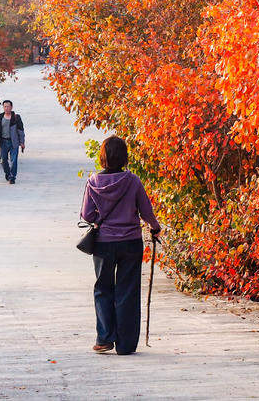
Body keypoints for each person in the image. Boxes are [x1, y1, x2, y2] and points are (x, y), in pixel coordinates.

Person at [80, 136, 161, 355]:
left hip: (104, 243)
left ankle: (105, 338)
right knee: (128, 291)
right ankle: (125, 345)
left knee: (103, 289)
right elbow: (146, 211)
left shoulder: (93, 182)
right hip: (130, 242)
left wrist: (100, 215)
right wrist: (155, 227)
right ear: (124, 157)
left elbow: (86, 215)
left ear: (103, 157)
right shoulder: (133, 181)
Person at [0, 100, 24, 184]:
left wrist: (22, 142)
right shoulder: (0, 117)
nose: (6, 108)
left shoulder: (16, 117)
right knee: (3, 160)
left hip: (14, 142)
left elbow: (21, 131)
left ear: (11, 107)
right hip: (3, 142)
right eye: (5, 106)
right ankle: (7, 173)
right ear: (3, 107)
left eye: (8, 106)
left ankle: (12, 177)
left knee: (14, 161)